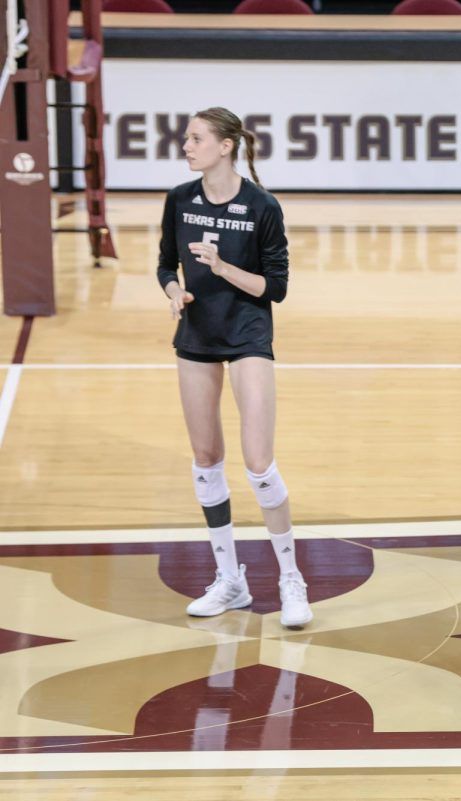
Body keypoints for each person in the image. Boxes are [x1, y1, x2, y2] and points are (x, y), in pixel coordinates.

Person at [156, 107, 311, 629]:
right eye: (186, 138)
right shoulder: (179, 199)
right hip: (196, 333)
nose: (187, 145)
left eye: (196, 138)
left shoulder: (261, 206)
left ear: (225, 146)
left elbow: (278, 289)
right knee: (205, 458)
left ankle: (291, 579)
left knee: (259, 464)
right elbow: (164, 263)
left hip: (247, 333)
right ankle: (231, 579)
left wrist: (222, 268)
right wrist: (175, 290)